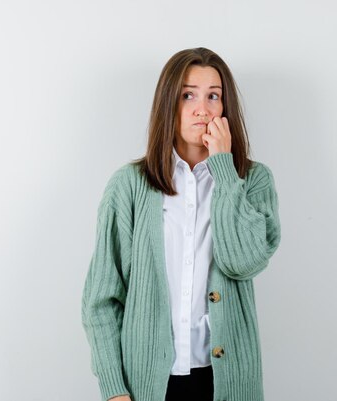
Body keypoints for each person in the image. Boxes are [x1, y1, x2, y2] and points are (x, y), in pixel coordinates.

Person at [81, 47, 281, 401]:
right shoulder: (129, 185)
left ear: (225, 109)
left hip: (227, 382)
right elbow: (101, 299)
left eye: (213, 97)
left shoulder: (253, 181)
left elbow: (244, 260)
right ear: (168, 104)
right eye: (188, 95)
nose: (202, 109)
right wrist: (114, 389)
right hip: (147, 384)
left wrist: (222, 166)